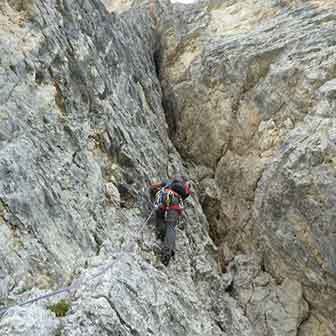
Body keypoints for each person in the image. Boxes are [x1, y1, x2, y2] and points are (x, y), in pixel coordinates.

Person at [149, 175, 192, 266]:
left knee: (159, 215)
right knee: (171, 225)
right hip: (175, 201)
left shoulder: (169, 182)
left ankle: (161, 232)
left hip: (166, 196)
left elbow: (154, 186)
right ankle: (167, 251)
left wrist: (151, 189)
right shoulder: (183, 189)